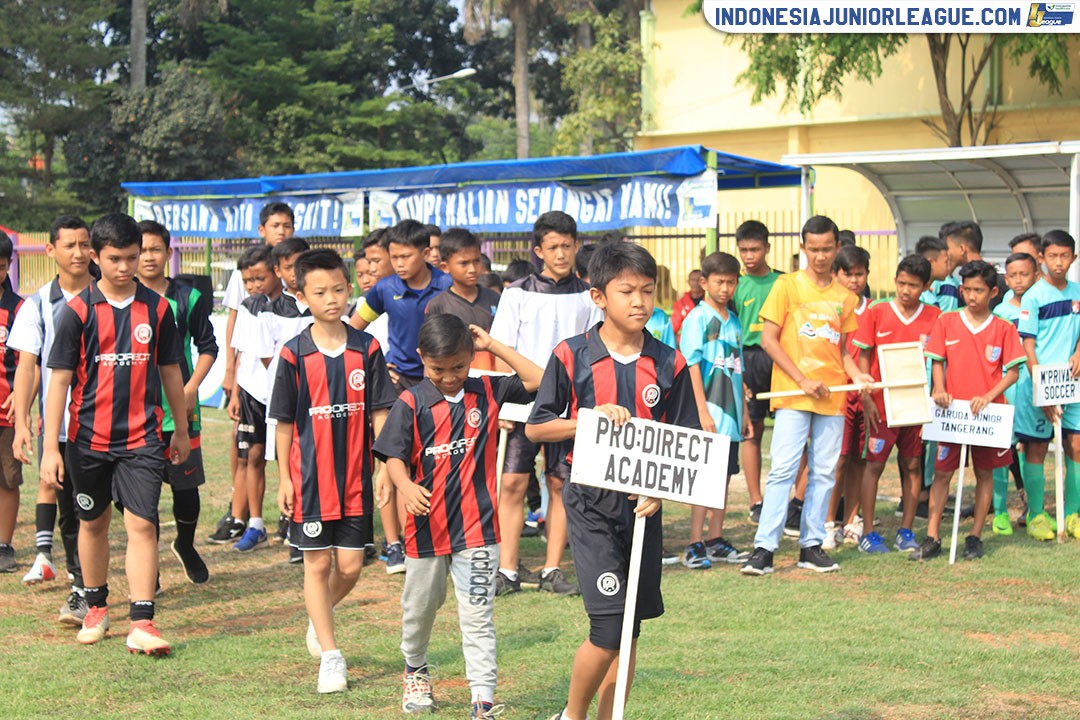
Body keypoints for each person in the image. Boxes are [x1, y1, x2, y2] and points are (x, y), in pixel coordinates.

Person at [526, 242, 700, 720]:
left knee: (631, 629)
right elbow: (537, 426)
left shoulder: (670, 363)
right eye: (627, 291)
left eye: (647, 290)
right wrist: (587, 420)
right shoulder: (572, 355)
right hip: (590, 507)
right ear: (598, 296)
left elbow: (687, 441)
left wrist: (660, 489)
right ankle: (572, 715)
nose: (639, 301)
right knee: (607, 627)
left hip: (643, 511)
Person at [373, 314, 543, 719]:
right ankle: (414, 668)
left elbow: (539, 378)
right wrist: (407, 485)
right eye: (438, 370)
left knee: (479, 615)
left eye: (458, 367)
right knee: (420, 610)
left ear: (470, 358)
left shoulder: (487, 388)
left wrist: (493, 346)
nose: (449, 377)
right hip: (426, 531)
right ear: (421, 359)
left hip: (478, 530)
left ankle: (482, 700)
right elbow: (393, 456)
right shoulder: (411, 402)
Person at [41, 213, 190, 654]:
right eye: (115, 259)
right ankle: (96, 606)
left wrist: (179, 429)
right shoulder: (76, 312)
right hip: (87, 441)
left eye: (132, 257)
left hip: (142, 440)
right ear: (94, 256)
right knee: (94, 523)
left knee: (143, 524)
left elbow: (170, 371)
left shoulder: (158, 309)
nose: (125, 267)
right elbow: (59, 383)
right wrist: (52, 446)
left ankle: (142, 622)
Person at [270, 249, 396, 693]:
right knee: (317, 564)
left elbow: (381, 411)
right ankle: (331, 654)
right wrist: (284, 477)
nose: (332, 299)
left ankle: (318, 615)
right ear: (302, 295)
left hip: (356, 479)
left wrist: (384, 467)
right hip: (309, 482)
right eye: (320, 292)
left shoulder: (368, 348)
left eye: (339, 289)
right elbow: (284, 423)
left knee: (350, 566)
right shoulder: (293, 354)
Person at [741, 215, 873, 577]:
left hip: (831, 396)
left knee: (825, 472)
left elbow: (843, 350)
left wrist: (858, 374)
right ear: (803, 248)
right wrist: (801, 380)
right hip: (793, 395)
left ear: (837, 248)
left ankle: (811, 545)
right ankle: (763, 549)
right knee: (783, 470)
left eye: (827, 249)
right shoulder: (787, 286)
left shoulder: (844, 298)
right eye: (813, 249)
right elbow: (768, 340)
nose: (820, 256)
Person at [489, 210, 601, 597]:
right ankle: (507, 569)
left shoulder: (589, 296)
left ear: (575, 247)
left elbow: (592, 350)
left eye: (567, 246)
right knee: (513, 484)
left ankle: (552, 569)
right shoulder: (516, 291)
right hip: (521, 405)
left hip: (567, 410)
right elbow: (500, 349)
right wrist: (502, 407)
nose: (560, 254)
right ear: (538, 250)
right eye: (552, 247)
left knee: (561, 484)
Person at [10, 215, 92, 622]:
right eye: (69, 245)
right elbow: (28, 366)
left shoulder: (112, 296)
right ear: (51, 250)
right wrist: (23, 421)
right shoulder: (38, 304)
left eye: (84, 244)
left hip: (120, 427)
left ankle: (144, 579)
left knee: (134, 510)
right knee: (75, 511)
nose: (78, 252)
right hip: (64, 428)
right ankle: (81, 588)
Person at [914, 260, 1024, 561]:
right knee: (941, 473)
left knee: (985, 472)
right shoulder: (946, 321)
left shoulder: (1003, 328)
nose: (972, 296)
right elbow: (937, 359)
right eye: (967, 290)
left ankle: (975, 535)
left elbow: (1012, 372)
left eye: (978, 290)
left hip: (987, 415)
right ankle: (933, 536)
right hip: (952, 414)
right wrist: (939, 388)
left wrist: (988, 396)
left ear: (992, 292)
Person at [137, 221, 218, 583]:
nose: (148, 257)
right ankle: (147, 565)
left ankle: (185, 544)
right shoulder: (126, 299)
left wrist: (190, 389)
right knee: (143, 497)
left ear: (168, 253)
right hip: (137, 413)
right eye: (142, 250)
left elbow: (208, 348)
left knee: (186, 491)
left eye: (156, 249)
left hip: (181, 412)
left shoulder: (189, 298)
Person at [216, 203, 294, 542]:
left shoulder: (297, 283)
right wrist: (231, 375)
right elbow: (234, 322)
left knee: (291, 453)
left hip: (286, 386)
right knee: (248, 450)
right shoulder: (247, 285)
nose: (282, 230)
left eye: (287, 225)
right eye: (275, 225)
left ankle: (291, 515)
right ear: (262, 228)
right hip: (251, 385)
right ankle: (243, 516)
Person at [851, 255, 940, 554]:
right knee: (874, 465)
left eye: (913, 285)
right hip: (880, 404)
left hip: (914, 405)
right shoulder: (877, 311)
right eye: (901, 283)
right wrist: (866, 396)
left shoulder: (934, 316)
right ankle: (868, 532)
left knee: (912, 464)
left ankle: (906, 530)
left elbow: (940, 360)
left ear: (926, 286)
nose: (905, 290)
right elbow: (863, 356)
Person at [678, 251, 751, 569]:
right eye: (719, 282)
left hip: (732, 416)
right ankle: (694, 542)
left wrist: (745, 413)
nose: (725, 288)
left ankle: (715, 539)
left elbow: (739, 369)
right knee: (703, 479)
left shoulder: (734, 321)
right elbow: (691, 365)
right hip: (708, 414)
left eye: (731, 282)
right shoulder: (696, 318)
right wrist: (702, 412)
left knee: (723, 478)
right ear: (705, 282)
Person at [1017, 230, 1080, 541]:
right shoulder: (1033, 296)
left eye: (1064, 256)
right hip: (1039, 386)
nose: (1059, 262)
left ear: (1074, 258)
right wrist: (1041, 385)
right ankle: (1037, 515)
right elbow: (1027, 345)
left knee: (1076, 446)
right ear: (1042, 258)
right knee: (1037, 448)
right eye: (1052, 256)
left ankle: (1072, 515)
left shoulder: (1078, 292)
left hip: (1073, 385)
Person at [254, 237, 313, 556]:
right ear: (278, 271)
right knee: (289, 461)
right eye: (288, 267)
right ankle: (294, 529)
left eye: (300, 265)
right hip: (287, 397)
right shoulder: (270, 309)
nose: (295, 273)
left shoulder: (320, 302)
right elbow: (267, 356)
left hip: (319, 396)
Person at [224, 246, 279, 550]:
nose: (255, 285)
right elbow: (240, 350)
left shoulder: (288, 308)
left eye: (261, 278)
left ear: (276, 273)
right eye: (249, 280)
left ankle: (294, 520)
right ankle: (255, 524)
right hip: (250, 392)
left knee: (290, 458)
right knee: (251, 456)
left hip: (281, 392)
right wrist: (235, 389)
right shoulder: (246, 309)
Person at [733, 220, 781, 524]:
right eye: (743, 250)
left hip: (779, 358)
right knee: (752, 430)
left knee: (792, 429)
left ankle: (791, 499)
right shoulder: (734, 284)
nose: (749, 255)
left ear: (767, 248)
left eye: (755, 249)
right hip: (747, 359)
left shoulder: (783, 282)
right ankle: (756, 501)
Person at [992, 251, 1039, 536]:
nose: (1019, 281)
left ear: (1036, 275)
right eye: (1013, 275)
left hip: (1033, 389)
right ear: (1005, 279)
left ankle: (1033, 509)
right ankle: (999, 513)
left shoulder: (1040, 306)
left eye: (1025, 274)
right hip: (1008, 388)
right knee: (1001, 449)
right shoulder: (1000, 313)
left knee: (1030, 447)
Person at [425, 228, 503, 372]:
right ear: (445, 267)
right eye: (464, 263)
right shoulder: (437, 306)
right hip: (454, 380)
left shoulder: (496, 299)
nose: (473, 269)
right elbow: (432, 351)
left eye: (477, 261)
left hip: (493, 380)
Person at [0, 233, 23, 575]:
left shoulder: (19, 308)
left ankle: (3, 545)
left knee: (7, 479)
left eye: (1, 267)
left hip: (7, 411)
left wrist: (20, 394)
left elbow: (27, 361)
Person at [943, 221, 1007, 310]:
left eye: (948, 248)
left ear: (962, 249)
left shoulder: (1000, 280)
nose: (946, 253)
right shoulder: (957, 282)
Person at [671, 268, 704, 338]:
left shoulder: (709, 301)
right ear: (688, 282)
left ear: (704, 282)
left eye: (699, 280)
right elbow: (674, 326)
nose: (696, 283)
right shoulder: (680, 303)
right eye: (693, 280)